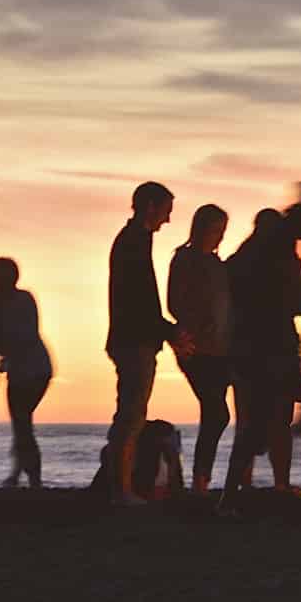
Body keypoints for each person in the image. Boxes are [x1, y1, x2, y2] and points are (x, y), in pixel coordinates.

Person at [223, 183, 301, 502]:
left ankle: (246, 483)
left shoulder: (273, 245)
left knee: (283, 415)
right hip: (266, 347)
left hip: (268, 344)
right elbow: (297, 301)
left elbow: (297, 301)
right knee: (276, 417)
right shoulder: (277, 243)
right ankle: (235, 490)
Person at [105, 182, 193, 508]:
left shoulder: (136, 241)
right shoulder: (132, 243)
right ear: (150, 207)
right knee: (131, 416)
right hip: (133, 341)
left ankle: (121, 488)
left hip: (134, 338)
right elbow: (139, 301)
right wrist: (168, 331)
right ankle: (121, 490)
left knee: (131, 415)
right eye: (166, 212)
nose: (168, 221)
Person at [168, 204, 232, 492]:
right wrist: (195, 327)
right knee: (217, 413)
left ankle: (203, 481)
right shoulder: (185, 259)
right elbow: (174, 302)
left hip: (222, 349)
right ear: (200, 228)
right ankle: (200, 481)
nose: (217, 236)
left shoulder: (220, 266)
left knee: (216, 413)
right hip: (196, 348)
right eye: (214, 229)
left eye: (222, 231)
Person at [0, 256, 52, 488]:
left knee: (22, 423)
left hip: (32, 369)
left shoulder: (20, 300)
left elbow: (26, 336)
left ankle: (33, 479)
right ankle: (18, 474)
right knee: (21, 423)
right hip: (27, 368)